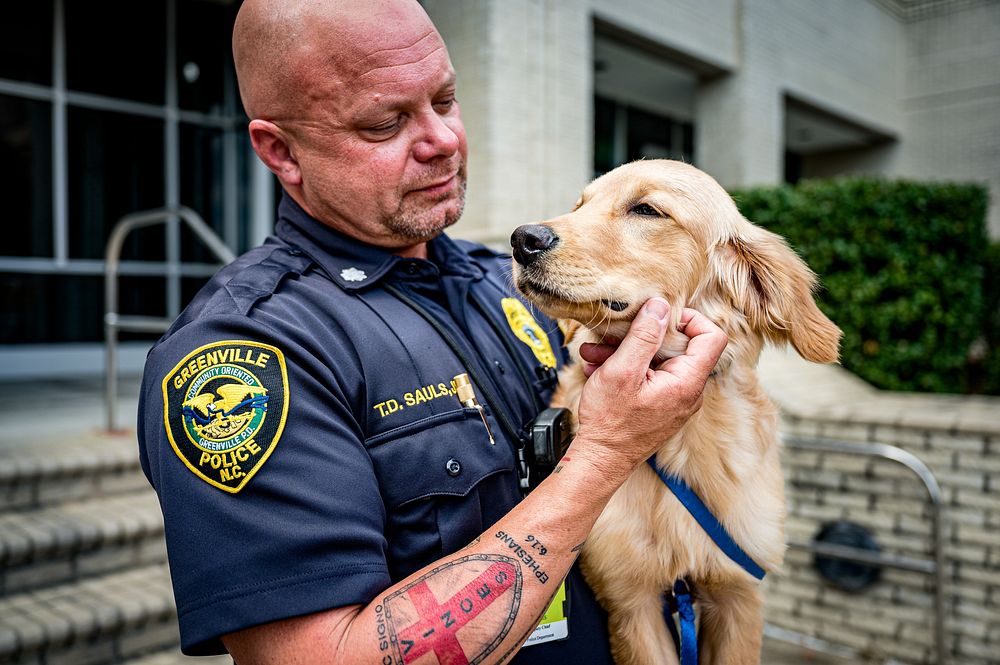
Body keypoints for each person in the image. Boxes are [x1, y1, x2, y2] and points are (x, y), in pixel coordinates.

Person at [136, 0, 727, 663]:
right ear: (282, 151)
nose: (442, 140)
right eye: (385, 122)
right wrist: (604, 454)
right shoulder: (249, 354)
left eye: (445, 100)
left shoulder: (508, 281)